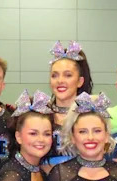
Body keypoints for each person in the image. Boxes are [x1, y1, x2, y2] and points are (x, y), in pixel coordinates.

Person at [45, 40, 93, 170]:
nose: (60, 81)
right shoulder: (41, 115)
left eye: (68, 75)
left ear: (80, 81)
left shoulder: (91, 115)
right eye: (54, 75)